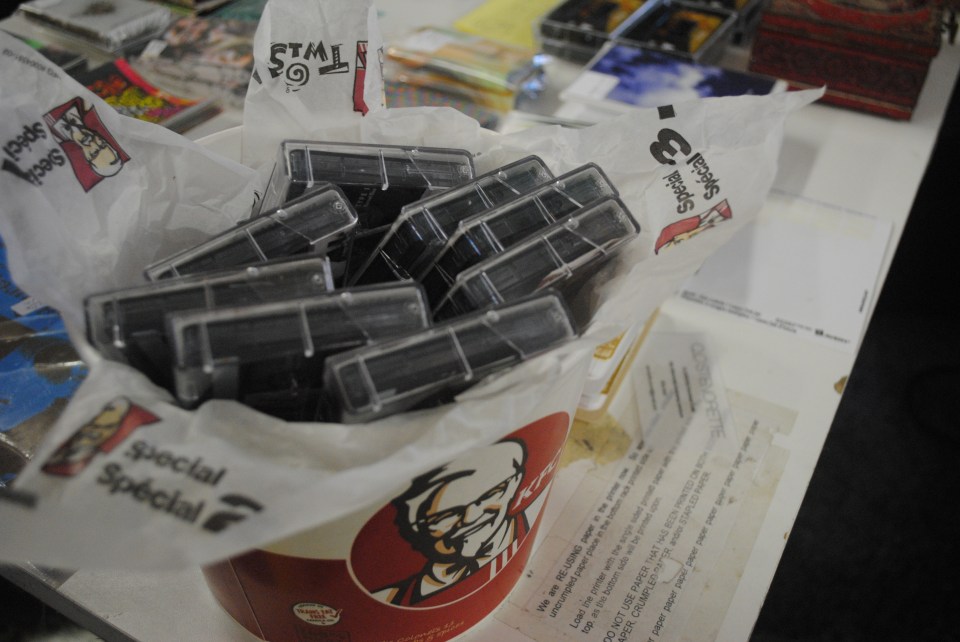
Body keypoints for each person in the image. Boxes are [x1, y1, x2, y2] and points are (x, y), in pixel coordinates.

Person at [372, 440, 528, 606]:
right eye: (446, 515)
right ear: (416, 529)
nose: (470, 518)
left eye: (488, 495)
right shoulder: (390, 599)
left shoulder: (532, 523)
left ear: (514, 485)